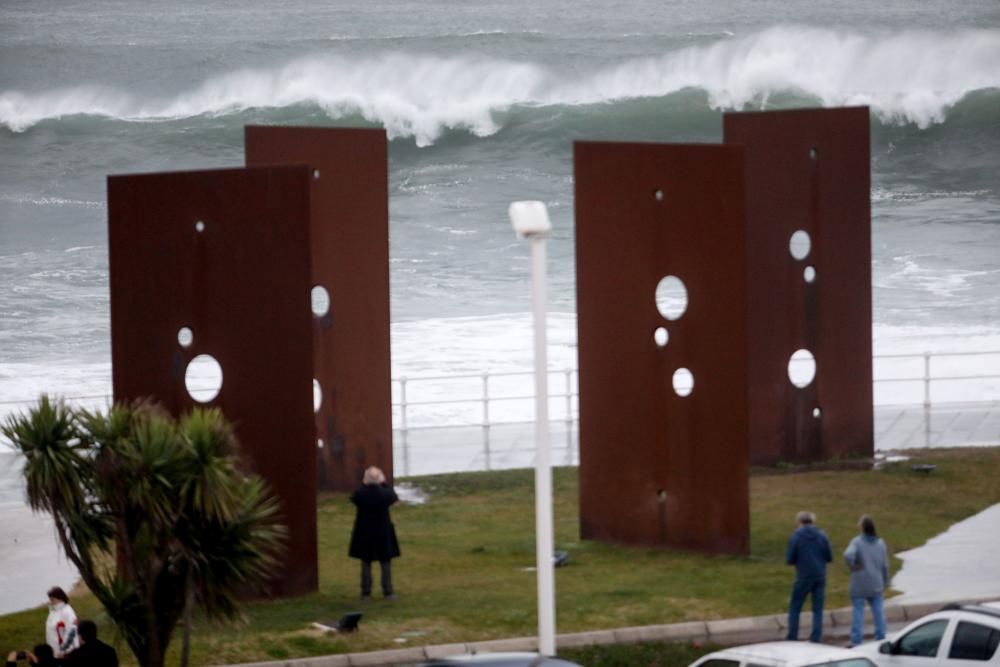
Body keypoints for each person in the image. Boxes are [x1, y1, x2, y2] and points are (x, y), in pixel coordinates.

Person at [348, 466, 400, 600]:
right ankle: (388, 591)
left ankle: (366, 593)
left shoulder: (361, 494)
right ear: (380, 479)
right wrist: (383, 482)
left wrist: (366, 483)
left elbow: (354, 496)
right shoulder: (385, 494)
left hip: (365, 531)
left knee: (366, 561)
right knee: (385, 562)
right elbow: (393, 495)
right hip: (383, 530)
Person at [785, 510, 833, 642]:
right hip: (820, 575)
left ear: (799, 522)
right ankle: (816, 636)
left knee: (795, 606)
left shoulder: (796, 536)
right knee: (818, 608)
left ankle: (792, 636)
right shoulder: (822, 535)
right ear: (813, 522)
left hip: (804, 575)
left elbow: (790, 559)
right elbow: (829, 556)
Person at [843, 515, 890, 647]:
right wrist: (886, 581)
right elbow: (885, 565)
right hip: (876, 583)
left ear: (862, 527)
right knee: (878, 611)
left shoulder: (857, 542)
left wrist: (853, 566)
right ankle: (881, 636)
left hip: (859, 583)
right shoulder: (881, 543)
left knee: (858, 611)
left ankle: (856, 639)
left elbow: (847, 555)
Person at [44, 586, 79, 657]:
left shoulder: (68, 612)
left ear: (60, 598)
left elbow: (71, 633)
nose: (50, 601)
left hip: (66, 653)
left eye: (52, 599)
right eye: (50, 599)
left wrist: (64, 651)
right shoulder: (53, 611)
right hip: (54, 651)